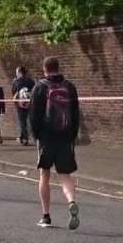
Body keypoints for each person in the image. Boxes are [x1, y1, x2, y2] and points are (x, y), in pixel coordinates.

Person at [30, 56, 81, 230]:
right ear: (58, 68)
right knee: (65, 176)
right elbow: (75, 115)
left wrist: (37, 136)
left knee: (45, 175)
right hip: (65, 137)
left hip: (46, 138)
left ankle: (46, 216)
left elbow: (34, 116)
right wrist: (71, 136)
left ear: (44, 69)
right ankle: (71, 201)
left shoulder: (40, 87)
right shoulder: (70, 87)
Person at [12, 66, 36, 145]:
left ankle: (25, 138)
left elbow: (14, 92)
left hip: (20, 103)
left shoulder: (16, 81)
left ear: (19, 72)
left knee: (22, 121)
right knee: (29, 120)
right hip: (30, 103)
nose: (16, 73)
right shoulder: (31, 81)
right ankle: (23, 136)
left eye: (16, 72)